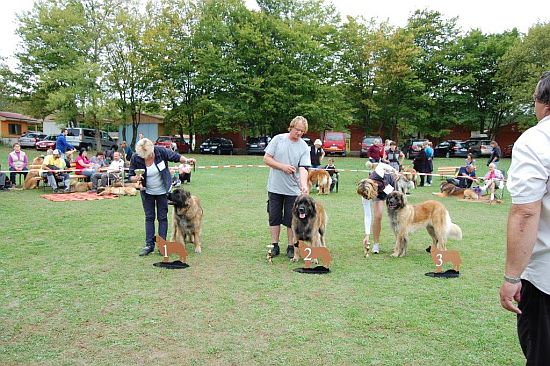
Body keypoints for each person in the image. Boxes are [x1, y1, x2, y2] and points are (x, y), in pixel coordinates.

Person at [499, 71, 550, 365]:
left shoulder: (536, 139)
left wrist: (511, 277)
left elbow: (525, 211)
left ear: (542, 103)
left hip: (545, 281)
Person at [129, 138, 196, 256]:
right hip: (147, 191)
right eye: (142, 155)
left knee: (162, 218)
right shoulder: (136, 157)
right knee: (149, 217)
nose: (145, 157)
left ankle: (162, 246)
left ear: (152, 149)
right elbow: (130, 174)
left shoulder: (160, 152)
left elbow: (175, 156)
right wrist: (135, 178)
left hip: (163, 191)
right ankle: (149, 245)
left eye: (147, 154)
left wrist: (187, 160)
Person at [263, 116, 311, 259]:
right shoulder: (278, 139)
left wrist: (303, 185)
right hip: (275, 187)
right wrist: (282, 166)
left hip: (293, 190)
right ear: (290, 127)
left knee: (291, 219)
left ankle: (291, 246)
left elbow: (303, 168)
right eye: (297, 130)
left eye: (302, 131)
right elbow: (266, 158)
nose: (299, 133)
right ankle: (274, 245)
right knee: (274, 217)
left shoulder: (303, 146)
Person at [362, 162, 398, 254]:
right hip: (381, 193)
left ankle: (399, 244)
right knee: (378, 216)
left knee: (396, 216)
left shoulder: (377, 174)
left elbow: (382, 165)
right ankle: (376, 244)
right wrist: (367, 235)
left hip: (390, 185)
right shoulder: (364, 194)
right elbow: (367, 215)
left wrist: (394, 171)